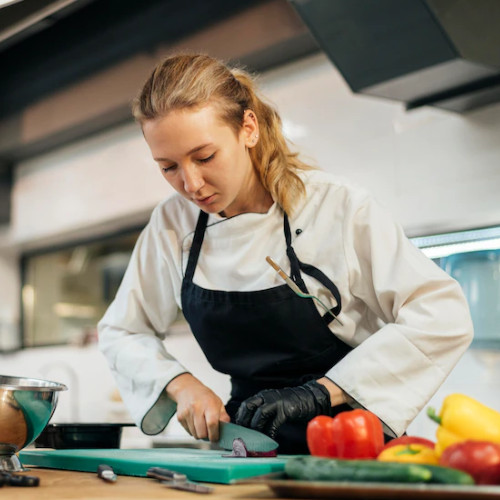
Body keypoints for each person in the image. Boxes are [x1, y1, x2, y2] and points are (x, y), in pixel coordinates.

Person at [98, 53, 473, 454]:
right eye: (168, 167)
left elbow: (441, 314)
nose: (191, 183)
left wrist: (318, 394)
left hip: (349, 445)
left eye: (205, 157)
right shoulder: (173, 224)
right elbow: (123, 330)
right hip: (244, 448)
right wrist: (180, 384)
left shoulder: (337, 207)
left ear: (248, 128)